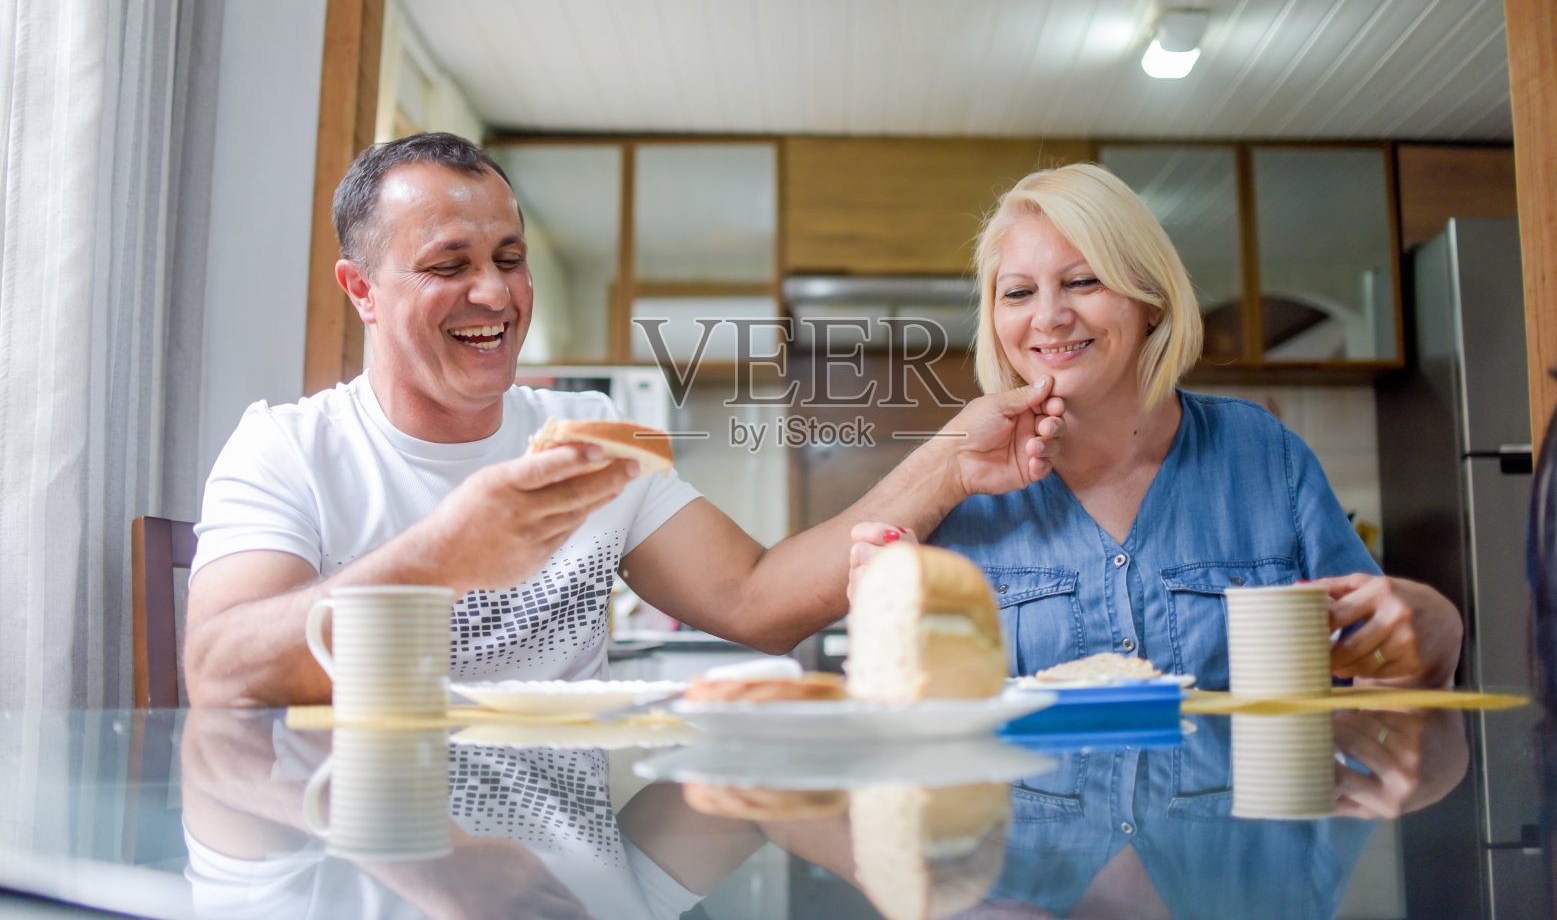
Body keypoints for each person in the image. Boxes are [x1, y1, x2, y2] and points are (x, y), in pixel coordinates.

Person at [184, 133, 1064, 707]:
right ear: (362, 290)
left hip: (570, 858)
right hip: (362, 847)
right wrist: (447, 551)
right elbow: (219, 670)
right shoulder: (288, 449)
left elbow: (754, 599)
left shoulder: (592, 434)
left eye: (510, 258)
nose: (493, 293)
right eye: (448, 264)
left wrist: (949, 462)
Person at [850, 162, 1463, 690]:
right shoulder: (959, 491)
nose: (1050, 317)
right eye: (1017, 294)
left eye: (1083, 281)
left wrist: (1435, 630)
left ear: (1151, 298)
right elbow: (918, 726)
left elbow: (1381, 679)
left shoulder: (1264, 454)